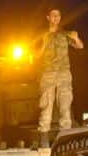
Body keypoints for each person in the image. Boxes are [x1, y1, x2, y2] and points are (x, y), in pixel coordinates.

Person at [33, 8, 83, 148]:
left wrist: (76, 38)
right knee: (46, 105)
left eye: (58, 15)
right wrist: (43, 42)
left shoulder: (64, 34)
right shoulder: (41, 35)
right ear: (48, 17)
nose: (56, 17)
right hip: (48, 73)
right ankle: (44, 139)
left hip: (64, 73)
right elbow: (35, 55)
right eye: (53, 15)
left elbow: (80, 46)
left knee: (65, 105)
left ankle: (65, 139)